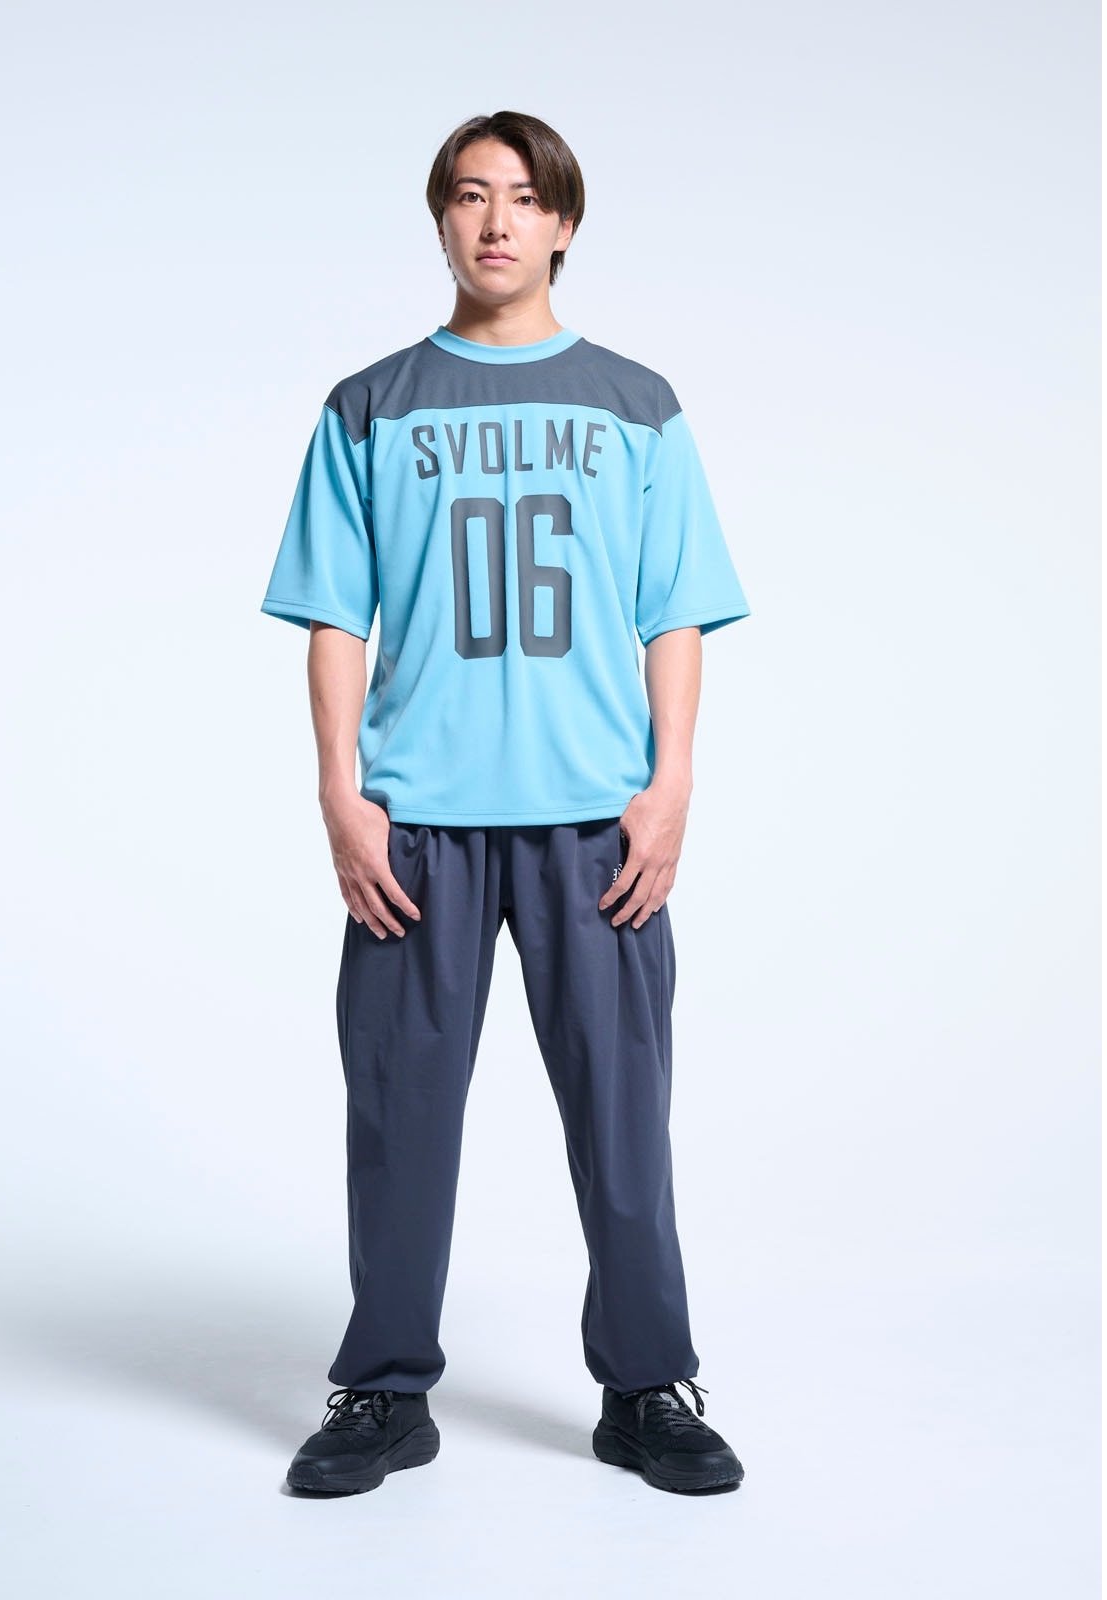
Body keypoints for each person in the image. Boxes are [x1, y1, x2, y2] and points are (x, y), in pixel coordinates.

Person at [260, 110, 751, 1496]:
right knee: (398, 1117)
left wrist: (670, 786)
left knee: (623, 1118)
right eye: (471, 196)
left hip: (595, 822)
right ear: (440, 219)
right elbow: (335, 617)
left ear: (563, 224)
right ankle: (382, 1388)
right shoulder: (373, 404)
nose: (496, 221)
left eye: (524, 198)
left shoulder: (635, 403)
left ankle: (647, 1386)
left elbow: (673, 612)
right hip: (417, 824)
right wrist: (340, 794)